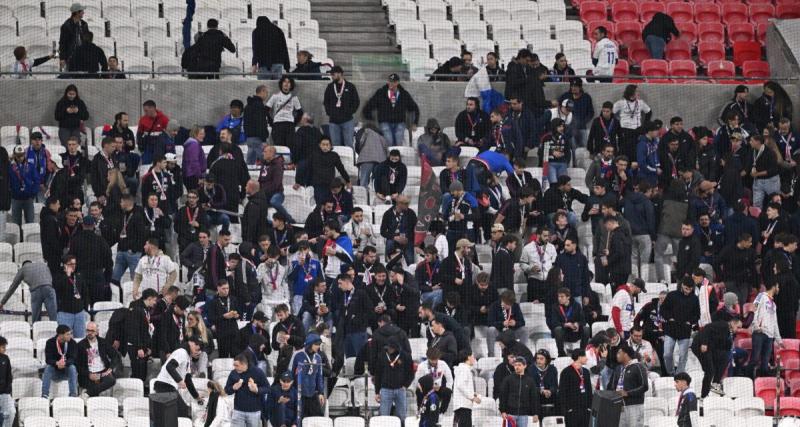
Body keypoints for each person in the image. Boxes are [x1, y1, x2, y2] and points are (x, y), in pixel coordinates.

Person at [363, 73, 420, 146]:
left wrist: (415, 123)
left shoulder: (404, 94)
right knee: (388, 142)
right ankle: (389, 157)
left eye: (393, 82)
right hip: (385, 122)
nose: (391, 83)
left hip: (400, 122)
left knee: (399, 143)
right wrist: (370, 118)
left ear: (397, 82)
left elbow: (414, 108)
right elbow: (369, 105)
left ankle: (397, 156)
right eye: (389, 81)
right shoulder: (381, 93)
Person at [154, 339, 205, 417]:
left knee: (183, 410)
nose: (199, 351)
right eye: (198, 348)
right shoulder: (182, 352)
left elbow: (188, 381)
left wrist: (197, 397)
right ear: (190, 343)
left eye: (200, 350)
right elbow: (169, 366)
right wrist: (180, 380)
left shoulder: (188, 357)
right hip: (164, 386)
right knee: (182, 412)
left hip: (168, 388)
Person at [691, 317, 740, 397]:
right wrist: (704, 343)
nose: (738, 329)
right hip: (700, 345)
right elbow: (707, 328)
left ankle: (715, 383)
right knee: (710, 371)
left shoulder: (729, 332)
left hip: (711, 348)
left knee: (726, 356)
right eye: (738, 327)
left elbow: (725, 347)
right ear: (733, 323)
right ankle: (704, 396)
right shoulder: (722, 325)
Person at [661, 277, 700, 375]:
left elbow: (697, 315)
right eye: (686, 288)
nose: (688, 291)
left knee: (683, 356)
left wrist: (690, 322)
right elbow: (663, 309)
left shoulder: (694, 299)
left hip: (685, 331)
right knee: (667, 354)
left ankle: (679, 375)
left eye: (690, 289)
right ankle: (671, 373)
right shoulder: (672, 295)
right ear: (682, 285)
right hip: (671, 329)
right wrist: (669, 318)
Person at [374, 336, 413, 425]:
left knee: (402, 416)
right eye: (388, 348)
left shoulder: (405, 356)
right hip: (385, 390)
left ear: (396, 347)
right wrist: (377, 392)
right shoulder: (382, 356)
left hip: (400, 390)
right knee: (384, 416)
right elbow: (378, 374)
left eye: (391, 348)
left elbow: (410, 373)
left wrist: (405, 385)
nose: (389, 350)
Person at [222, 353, 268, 427]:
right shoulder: (233, 373)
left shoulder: (258, 372)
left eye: (236, 365)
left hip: (254, 412)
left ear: (244, 364)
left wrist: (257, 390)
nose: (234, 367)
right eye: (234, 365)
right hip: (238, 411)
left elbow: (267, 388)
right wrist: (233, 388)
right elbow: (226, 390)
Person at [75, 321, 117, 397]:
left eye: (92, 331)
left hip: (103, 372)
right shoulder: (80, 345)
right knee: (95, 394)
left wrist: (110, 369)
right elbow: (77, 365)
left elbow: (115, 356)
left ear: (97, 332)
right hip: (88, 374)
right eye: (88, 330)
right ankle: (89, 395)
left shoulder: (103, 342)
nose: (89, 333)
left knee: (111, 380)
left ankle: (86, 394)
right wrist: (89, 374)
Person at [750, 280, 782, 378]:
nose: (779, 289)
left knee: (765, 364)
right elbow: (754, 309)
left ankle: (761, 384)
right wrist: (756, 326)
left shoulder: (774, 305)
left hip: (769, 336)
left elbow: (774, 323)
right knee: (755, 359)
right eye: (778, 286)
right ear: (774, 286)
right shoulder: (761, 296)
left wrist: (778, 339)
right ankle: (747, 377)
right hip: (759, 333)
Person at [54, 254, 89, 339]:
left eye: (74, 264)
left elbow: (85, 293)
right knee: (64, 338)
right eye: (70, 264)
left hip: (79, 313)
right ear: (64, 265)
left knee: (81, 339)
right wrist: (67, 275)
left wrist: (84, 308)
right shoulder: (59, 277)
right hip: (65, 313)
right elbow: (58, 289)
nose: (73, 266)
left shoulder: (79, 277)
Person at [611, 346, 648, 427]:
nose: (617, 355)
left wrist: (627, 393)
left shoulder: (639, 366)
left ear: (625, 354)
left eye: (619, 353)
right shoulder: (618, 368)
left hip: (634, 406)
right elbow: (613, 387)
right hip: (619, 407)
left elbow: (644, 386)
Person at [324, 65, 360, 148]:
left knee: (349, 144)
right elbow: (326, 102)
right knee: (335, 145)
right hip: (333, 121)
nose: (332, 76)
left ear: (340, 74)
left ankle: (350, 161)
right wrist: (330, 113)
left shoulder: (350, 86)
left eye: (333, 74)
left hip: (347, 121)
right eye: (331, 74)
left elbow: (356, 102)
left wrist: (349, 112)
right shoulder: (330, 87)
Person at [498, 357, 541, 427]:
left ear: (525, 366)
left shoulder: (530, 381)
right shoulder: (508, 379)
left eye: (519, 365)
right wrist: (503, 411)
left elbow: (534, 398)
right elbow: (503, 396)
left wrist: (535, 413)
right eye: (515, 365)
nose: (517, 367)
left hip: (523, 415)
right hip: (510, 414)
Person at [127, 288, 158, 383]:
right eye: (154, 300)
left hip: (143, 345)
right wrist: (139, 348)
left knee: (143, 372)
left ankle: (140, 392)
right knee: (137, 373)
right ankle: (133, 393)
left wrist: (148, 347)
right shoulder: (136, 309)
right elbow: (134, 330)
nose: (155, 302)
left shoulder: (145, 309)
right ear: (149, 298)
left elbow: (145, 330)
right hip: (136, 346)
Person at [42, 325, 78, 398]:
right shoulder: (50, 342)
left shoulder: (72, 343)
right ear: (61, 335)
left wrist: (65, 363)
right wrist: (56, 363)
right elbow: (48, 359)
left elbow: (73, 358)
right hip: (54, 370)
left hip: (67, 370)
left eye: (70, 334)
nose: (70, 336)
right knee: (48, 368)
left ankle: (73, 394)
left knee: (72, 368)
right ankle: (44, 395)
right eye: (68, 334)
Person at [558, 349, 592, 427]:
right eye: (584, 356)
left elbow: (589, 391)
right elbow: (562, 392)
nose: (586, 358)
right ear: (579, 357)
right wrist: (566, 410)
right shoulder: (566, 372)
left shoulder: (586, 372)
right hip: (572, 411)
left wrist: (589, 407)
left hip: (585, 411)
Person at [453, 350, 481, 427]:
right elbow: (460, 385)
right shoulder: (465, 369)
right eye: (472, 356)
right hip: (463, 406)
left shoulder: (462, 369)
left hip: (462, 406)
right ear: (468, 357)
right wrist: (472, 397)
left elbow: (462, 385)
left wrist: (473, 394)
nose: (474, 358)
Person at [58, 3, 89, 70]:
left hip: (83, 56)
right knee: (71, 76)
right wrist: (62, 58)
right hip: (70, 57)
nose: (83, 12)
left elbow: (87, 40)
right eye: (82, 11)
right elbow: (62, 43)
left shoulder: (84, 24)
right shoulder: (66, 26)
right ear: (77, 12)